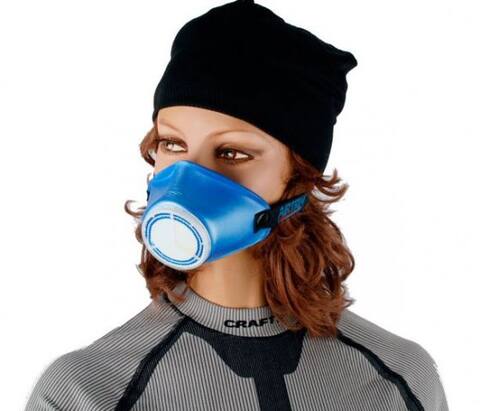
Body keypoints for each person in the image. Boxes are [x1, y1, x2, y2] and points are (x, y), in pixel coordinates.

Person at [24, 1, 449, 410]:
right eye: (172, 144)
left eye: (231, 152)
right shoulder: (85, 394)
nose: (188, 179)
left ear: (299, 178)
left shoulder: (399, 380)